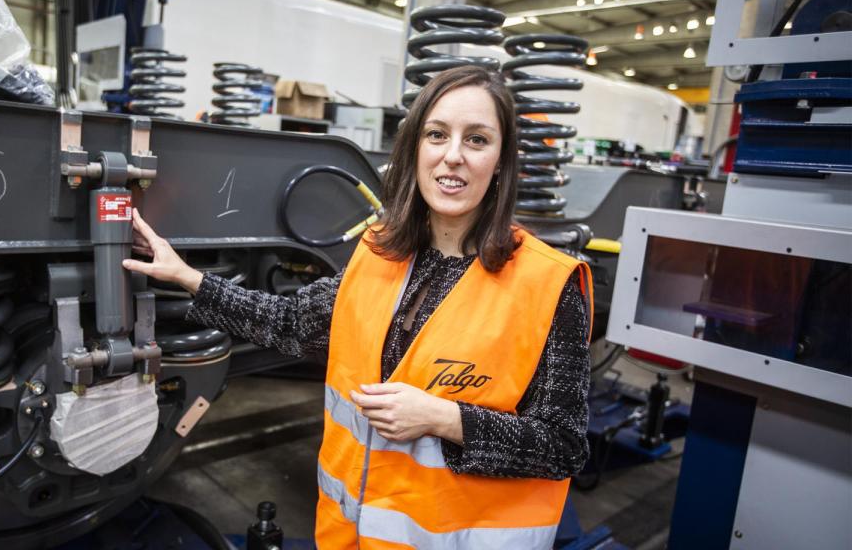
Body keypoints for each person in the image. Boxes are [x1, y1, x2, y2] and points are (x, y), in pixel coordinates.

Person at [123, 65, 592, 550]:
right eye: (437, 135)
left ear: (500, 161)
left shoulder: (547, 285)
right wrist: (188, 277)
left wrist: (445, 419)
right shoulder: (379, 253)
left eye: (476, 140)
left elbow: (563, 448)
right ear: (415, 148)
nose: (453, 157)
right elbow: (292, 323)